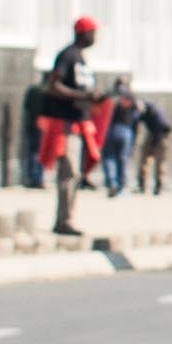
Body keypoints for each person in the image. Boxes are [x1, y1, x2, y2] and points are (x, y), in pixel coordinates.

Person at [37, 17, 98, 235]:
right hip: (65, 123)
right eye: (93, 32)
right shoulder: (68, 56)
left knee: (75, 173)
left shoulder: (81, 58)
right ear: (83, 33)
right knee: (69, 171)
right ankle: (63, 221)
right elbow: (54, 86)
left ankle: (67, 217)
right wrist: (82, 95)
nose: (95, 37)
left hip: (78, 122)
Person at [99, 80, 140, 197]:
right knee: (122, 159)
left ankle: (111, 182)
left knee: (108, 157)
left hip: (110, 129)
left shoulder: (110, 95)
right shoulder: (131, 96)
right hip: (125, 130)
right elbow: (138, 114)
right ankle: (120, 187)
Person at [134, 92, 172, 196]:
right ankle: (142, 185)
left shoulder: (153, 111)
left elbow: (161, 127)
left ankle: (159, 186)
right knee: (144, 160)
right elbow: (136, 119)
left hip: (161, 136)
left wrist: (156, 141)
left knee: (160, 163)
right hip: (152, 135)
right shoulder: (144, 112)